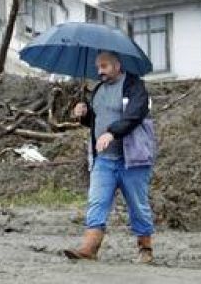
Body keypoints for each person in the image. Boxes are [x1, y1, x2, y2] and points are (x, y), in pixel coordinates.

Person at [64, 50, 156, 264]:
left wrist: (112, 133)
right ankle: (89, 248)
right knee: (97, 201)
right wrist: (84, 114)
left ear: (117, 66)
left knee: (138, 206)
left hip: (132, 159)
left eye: (104, 66)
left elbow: (135, 114)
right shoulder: (98, 90)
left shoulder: (135, 87)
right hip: (104, 159)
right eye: (98, 67)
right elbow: (96, 120)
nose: (100, 71)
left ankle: (145, 248)